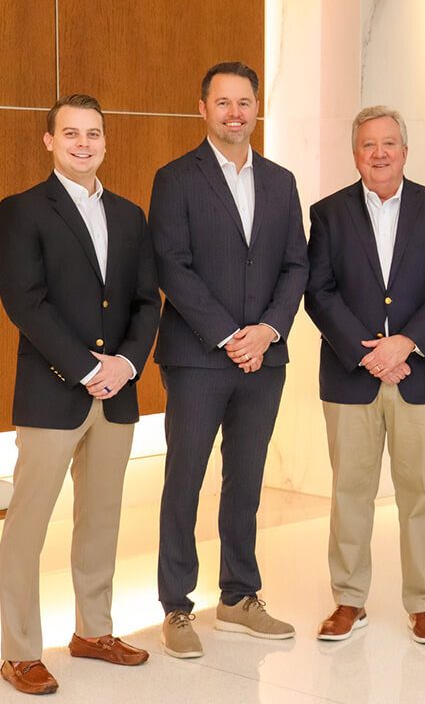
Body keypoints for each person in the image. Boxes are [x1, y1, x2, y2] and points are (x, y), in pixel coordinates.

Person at [0, 94, 160, 694]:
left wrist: (127, 365)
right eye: (71, 134)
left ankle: (94, 630)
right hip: (53, 391)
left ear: (106, 141)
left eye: (93, 134)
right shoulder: (21, 210)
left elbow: (146, 302)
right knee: (28, 523)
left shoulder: (130, 215)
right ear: (49, 142)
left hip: (117, 393)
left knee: (101, 518)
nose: (83, 144)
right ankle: (19, 651)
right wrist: (85, 368)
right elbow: (25, 302)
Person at [149, 61, 308, 659]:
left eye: (245, 102)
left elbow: (297, 263)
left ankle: (239, 597)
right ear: (203, 108)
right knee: (183, 481)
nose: (235, 113)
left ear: (256, 108)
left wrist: (265, 331)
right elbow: (172, 265)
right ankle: (176, 606)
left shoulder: (281, 180)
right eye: (223, 103)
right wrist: (228, 335)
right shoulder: (175, 178)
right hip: (197, 357)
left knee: (246, 481)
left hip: (263, 359)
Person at [305, 106, 425, 644]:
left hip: (422, 375)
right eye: (369, 145)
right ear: (356, 154)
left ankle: (424, 603)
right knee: (350, 491)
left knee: (419, 493)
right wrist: (365, 351)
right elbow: (319, 291)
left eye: (390, 144)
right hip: (353, 377)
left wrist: (407, 343)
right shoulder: (327, 213)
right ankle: (349, 599)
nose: (380, 153)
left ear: (404, 150)